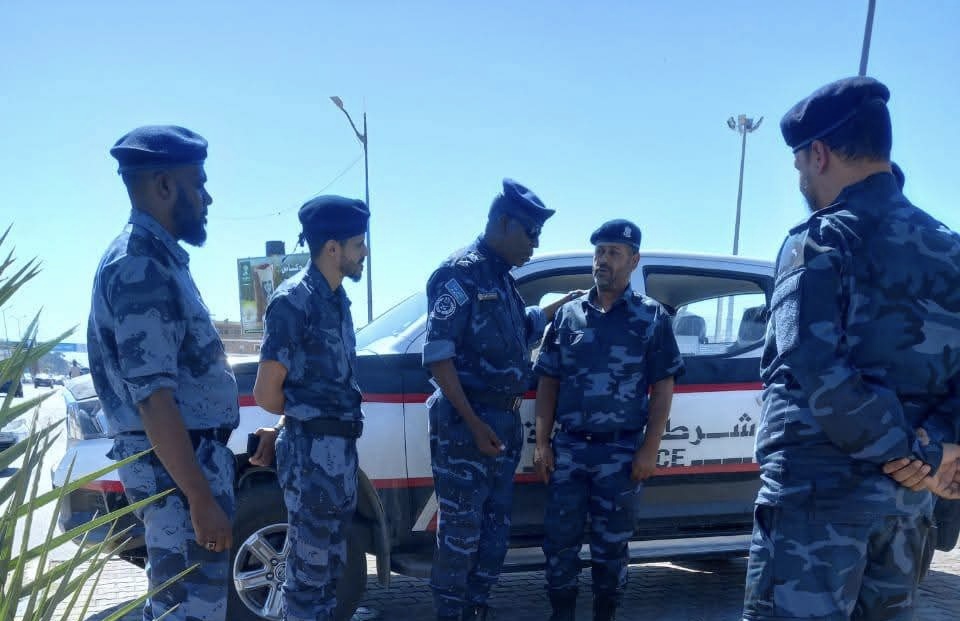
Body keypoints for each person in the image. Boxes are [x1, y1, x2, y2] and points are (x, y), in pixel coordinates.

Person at [742, 76, 960, 621]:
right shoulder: (951, 250)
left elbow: (815, 367)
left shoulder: (819, 241)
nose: (801, 179)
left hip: (816, 506)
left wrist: (901, 450)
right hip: (908, 508)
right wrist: (931, 451)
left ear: (818, 154)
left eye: (799, 165)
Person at [88, 125, 238, 621]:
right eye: (199, 183)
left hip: (184, 464)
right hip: (177, 471)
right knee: (188, 609)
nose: (208, 197)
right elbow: (153, 398)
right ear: (165, 185)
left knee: (183, 606)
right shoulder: (140, 266)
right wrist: (199, 497)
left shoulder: (159, 260)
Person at [423, 179, 577, 621]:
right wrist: (474, 424)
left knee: (494, 536)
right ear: (504, 223)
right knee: (461, 536)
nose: (535, 243)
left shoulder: (503, 282)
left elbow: (519, 330)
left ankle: (476, 611)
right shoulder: (460, 274)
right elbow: (438, 357)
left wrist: (558, 306)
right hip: (467, 426)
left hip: (502, 424)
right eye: (530, 233)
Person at [533, 219, 684, 621]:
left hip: (620, 452)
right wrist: (543, 443)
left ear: (633, 260)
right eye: (599, 251)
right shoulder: (568, 316)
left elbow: (663, 386)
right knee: (559, 544)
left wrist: (650, 448)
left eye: (614, 253)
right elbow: (548, 381)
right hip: (569, 450)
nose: (603, 260)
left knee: (611, 547)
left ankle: (605, 615)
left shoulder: (650, 317)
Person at [249, 195, 369, 621]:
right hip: (312, 458)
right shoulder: (293, 301)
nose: (365, 253)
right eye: (358, 244)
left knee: (332, 573)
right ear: (332, 248)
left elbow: (311, 384)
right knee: (307, 579)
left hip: (338, 455)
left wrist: (298, 416)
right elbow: (267, 393)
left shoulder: (337, 301)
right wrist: (302, 421)